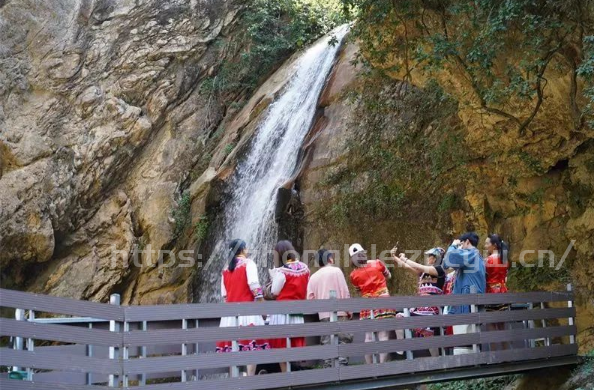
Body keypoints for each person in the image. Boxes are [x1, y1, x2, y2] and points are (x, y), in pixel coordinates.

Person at [216, 239, 269, 376]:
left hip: (229, 315)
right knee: (251, 347)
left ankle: (234, 379)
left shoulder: (226, 268)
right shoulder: (248, 263)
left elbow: (224, 295)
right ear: (243, 249)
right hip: (247, 311)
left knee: (232, 349)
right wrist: (262, 302)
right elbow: (254, 286)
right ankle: (249, 378)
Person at [392, 247, 446, 357]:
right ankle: (400, 347)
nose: (427, 258)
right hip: (420, 308)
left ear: (435, 258)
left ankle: (437, 360)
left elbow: (418, 266)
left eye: (429, 256)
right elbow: (407, 267)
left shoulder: (439, 270)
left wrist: (405, 258)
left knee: (428, 333)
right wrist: (395, 257)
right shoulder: (422, 273)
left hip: (432, 309)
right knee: (399, 317)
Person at [349, 243, 396, 364]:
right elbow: (388, 276)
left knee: (368, 337)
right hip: (383, 300)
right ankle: (381, 366)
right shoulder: (377, 263)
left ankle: (370, 367)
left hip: (367, 303)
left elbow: (358, 289)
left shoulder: (353, 275)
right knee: (383, 335)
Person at [267, 240, 310, 372]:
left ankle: (286, 375)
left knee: (281, 346)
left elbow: (274, 292)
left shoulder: (282, 271)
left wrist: (273, 277)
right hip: (298, 313)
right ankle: (294, 375)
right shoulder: (305, 268)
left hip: (282, 313)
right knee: (294, 344)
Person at [307, 249, 353, 367]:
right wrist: (349, 310)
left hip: (324, 316)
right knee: (343, 341)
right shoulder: (336, 271)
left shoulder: (313, 277)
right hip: (341, 313)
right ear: (330, 259)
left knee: (327, 344)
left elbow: (310, 299)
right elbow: (344, 292)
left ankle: (329, 371)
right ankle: (341, 370)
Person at [443, 232, 486, 355]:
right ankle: (471, 364)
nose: (460, 247)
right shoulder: (474, 256)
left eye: (461, 244)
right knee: (467, 336)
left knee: (464, 337)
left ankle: (467, 365)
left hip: (466, 303)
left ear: (467, 242)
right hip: (469, 302)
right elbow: (446, 264)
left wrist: (453, 246)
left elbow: (449, 259)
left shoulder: (471, 253)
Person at [484, 234, 510, 350]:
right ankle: (506, 353)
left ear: (494, 245)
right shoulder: (504, 257)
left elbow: (485, 275)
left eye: (487, 243)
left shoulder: (489, 259)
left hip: (491, 291)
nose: (485, 246)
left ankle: (494, 354)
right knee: (502, 324)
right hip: (503, 291)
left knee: (491, 323)